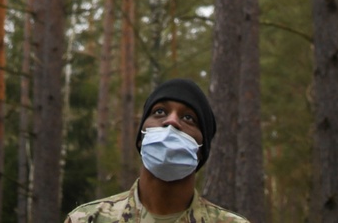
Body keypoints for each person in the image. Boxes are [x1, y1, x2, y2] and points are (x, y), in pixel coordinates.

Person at [65, 79, 243, 223]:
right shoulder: (87, 219)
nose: (172, 121)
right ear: (141, 138)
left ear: (202, 151)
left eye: (188, 117)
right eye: (160, 112)